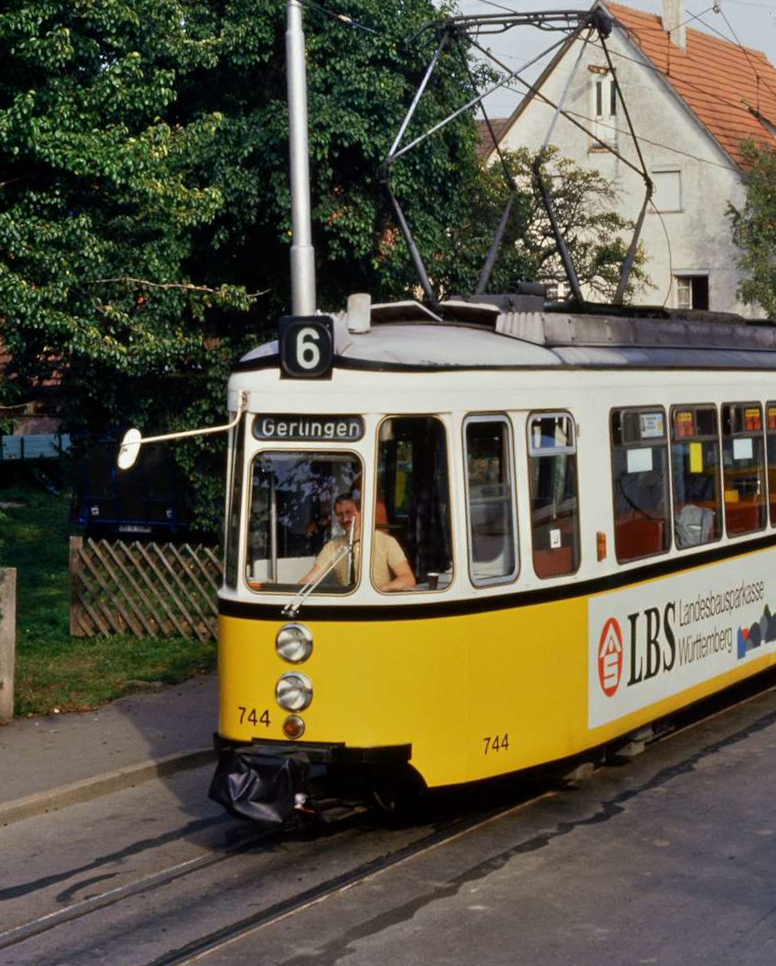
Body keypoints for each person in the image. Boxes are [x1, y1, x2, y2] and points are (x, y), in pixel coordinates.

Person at [301, 494, 416, 592]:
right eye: (340, 514)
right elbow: (310, 579)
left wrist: (379, 591)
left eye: (349, 513)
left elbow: (408, 579)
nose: (345, 519)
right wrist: (295, 592)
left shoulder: (386, 542)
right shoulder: (333, 546)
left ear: (361, 512)